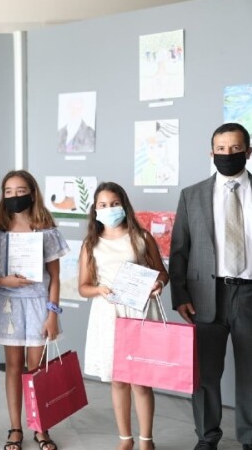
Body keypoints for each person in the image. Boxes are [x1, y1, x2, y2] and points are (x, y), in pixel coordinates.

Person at [169, 123, 252, 450]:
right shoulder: (192, 195)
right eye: (221, 149)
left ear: (248, 152)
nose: (228, 154)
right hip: (205, 297)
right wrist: (179, 295)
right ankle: (207, 438)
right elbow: (179, 249)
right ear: (211, 153)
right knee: (205, 375)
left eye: (235, 148)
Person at [0, 170, 69, 450]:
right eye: (8, 191)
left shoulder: (47, 231)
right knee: (13, 367)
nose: (14, 196)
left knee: (37, 368)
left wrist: (52, 314)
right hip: (9, 305)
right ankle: (15, 428)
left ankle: (41, 427)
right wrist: (3, 280)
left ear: (32, 193)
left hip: (39, 304)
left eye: (20, 191)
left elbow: (55, 277)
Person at [78, 182, 168, 450]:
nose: (109, 209)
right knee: (118, 380)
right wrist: (99, 290)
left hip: (139, 312)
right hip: (108, 315)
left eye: (114, 204)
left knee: (141, 382)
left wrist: (158, 284)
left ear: (124, 205)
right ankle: (125, 439)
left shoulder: (141, 237)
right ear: (95, 209)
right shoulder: (91, 244)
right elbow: (83, 287)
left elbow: (162, 272)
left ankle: (146, 441)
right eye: (103, 205)